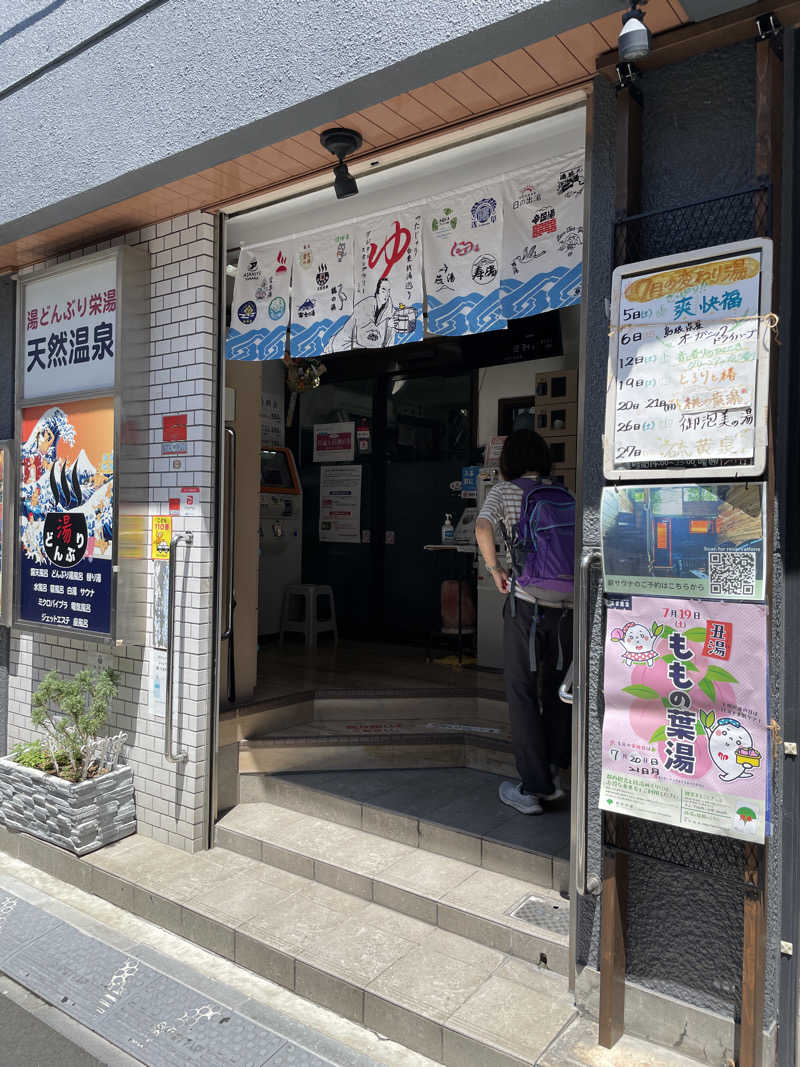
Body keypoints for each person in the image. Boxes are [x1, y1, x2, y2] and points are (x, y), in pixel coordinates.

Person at [475, 429, 574, 815]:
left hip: (527, 604)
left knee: (521, 691)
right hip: (566, 608)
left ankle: (534, 788)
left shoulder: (504, 491)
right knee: (558, 691)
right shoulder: (564, 493)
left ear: (509, 461)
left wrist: (493, 567)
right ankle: (555, 773)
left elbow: (483, 527)